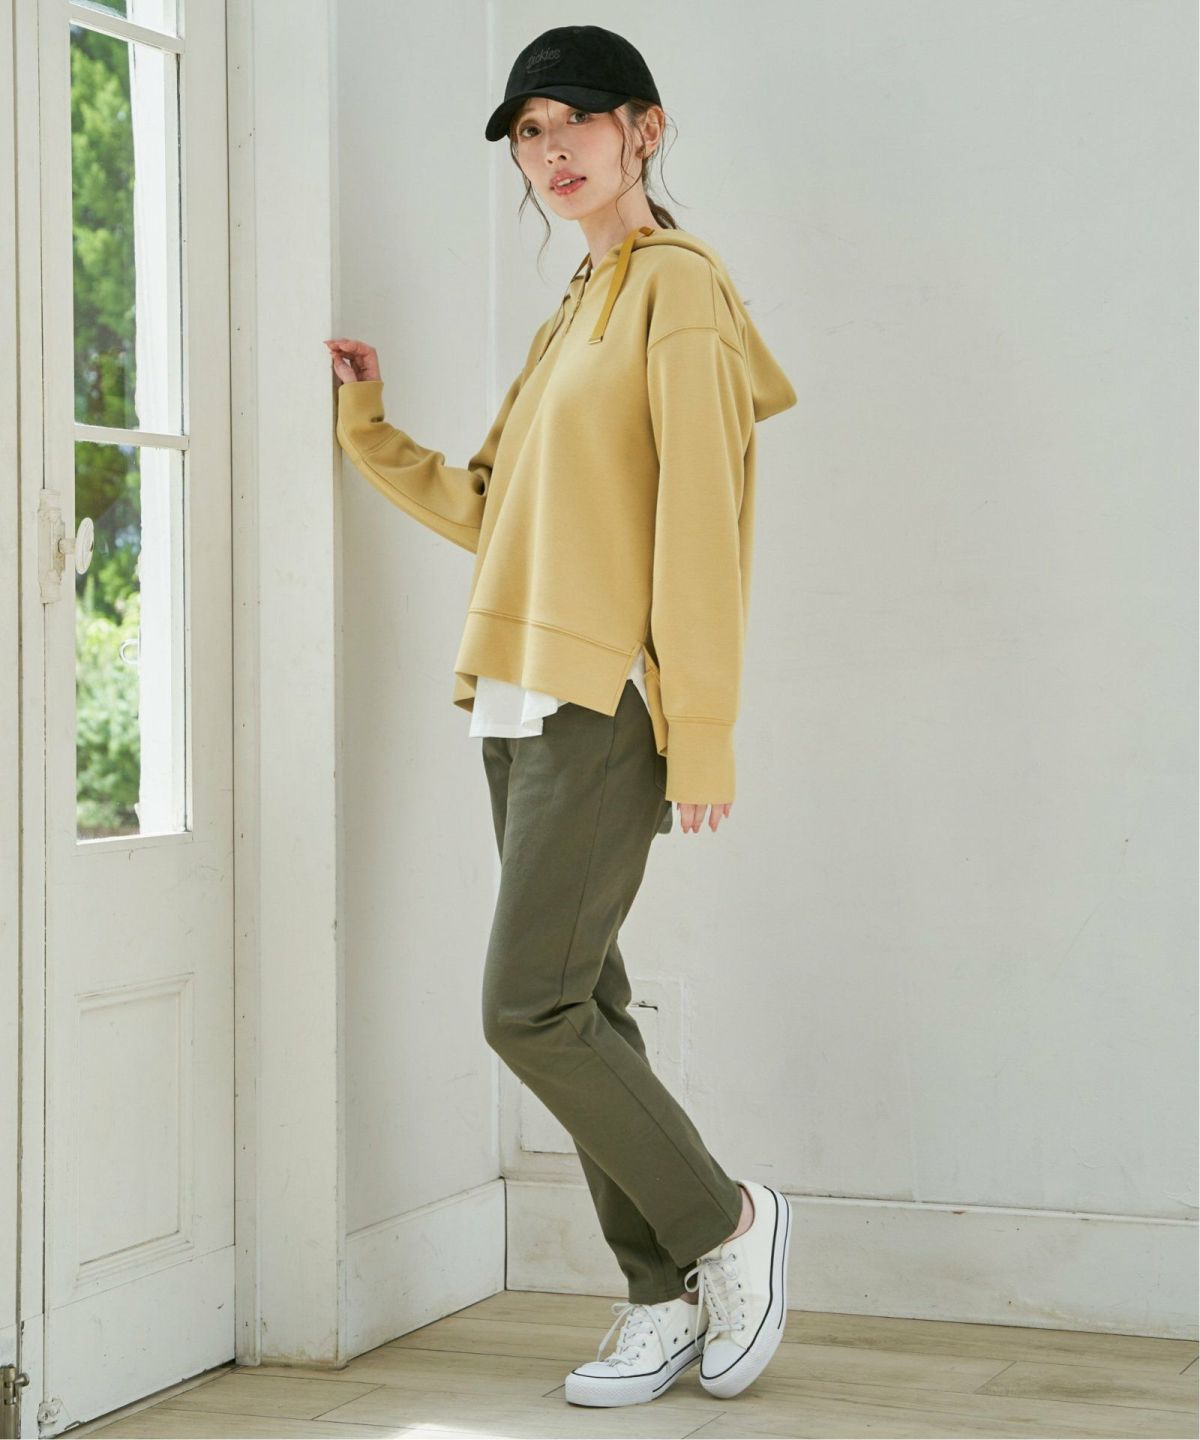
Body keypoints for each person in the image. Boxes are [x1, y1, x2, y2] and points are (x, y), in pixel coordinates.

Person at [326, 23, 797, 1411]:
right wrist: (368, 427)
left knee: (523, 1009)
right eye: (527, 133)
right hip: (518, 698)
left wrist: (701, 728)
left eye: (572, 121)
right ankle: (660, 1295)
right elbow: (497, 510)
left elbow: (703, 526)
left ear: (644, 127)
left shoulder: (678, 291)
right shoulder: (574, 307)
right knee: (581, 1005)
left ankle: (727, 1225)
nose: (549, 152)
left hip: (608, 704)